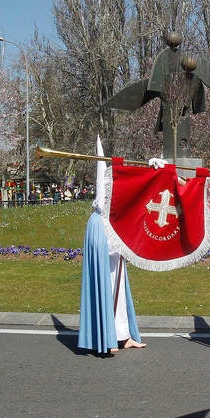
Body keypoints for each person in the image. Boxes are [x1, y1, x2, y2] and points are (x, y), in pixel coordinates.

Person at [78, 136, 145, 354]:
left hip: (113, 241)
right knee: (105, 285)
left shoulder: (114, 201)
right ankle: (106, 336)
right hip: (105, 241)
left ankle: (122, 335)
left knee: (119, 286)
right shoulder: (98, 215)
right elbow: (103, 249)